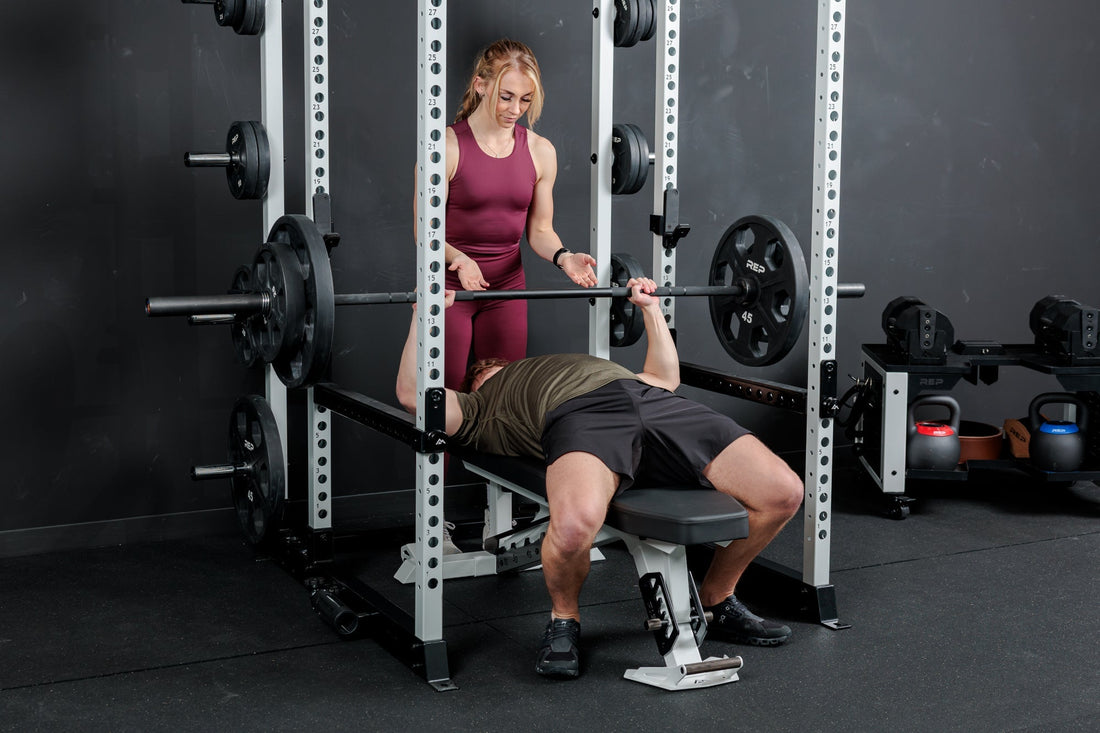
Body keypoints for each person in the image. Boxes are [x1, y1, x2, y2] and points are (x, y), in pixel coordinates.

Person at [396, 278, 805, 679]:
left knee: (783, 493)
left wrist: (650, 309)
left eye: (497, 365)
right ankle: (564, 620)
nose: (495, 367)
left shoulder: (577, 364)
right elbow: (413, 396)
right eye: (485, 371)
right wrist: (422, 317)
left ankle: (717, 598)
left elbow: (666, 379)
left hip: (647, 397)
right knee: (573, 529)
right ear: (473, 385)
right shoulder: (479, 407)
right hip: (579, 417)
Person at [414, 39, 598, 553]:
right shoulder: (447, 146)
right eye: (506, 96)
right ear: (480, 85)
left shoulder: (540, 151)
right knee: (441, 402)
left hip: (506, 290)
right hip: (450, 291)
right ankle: (433, 522)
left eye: (525, 99)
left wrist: (564, 257)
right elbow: (424, 231)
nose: (515, 108)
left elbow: (539, 230)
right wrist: (458, 259)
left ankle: (503, 521)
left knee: (508, 404)